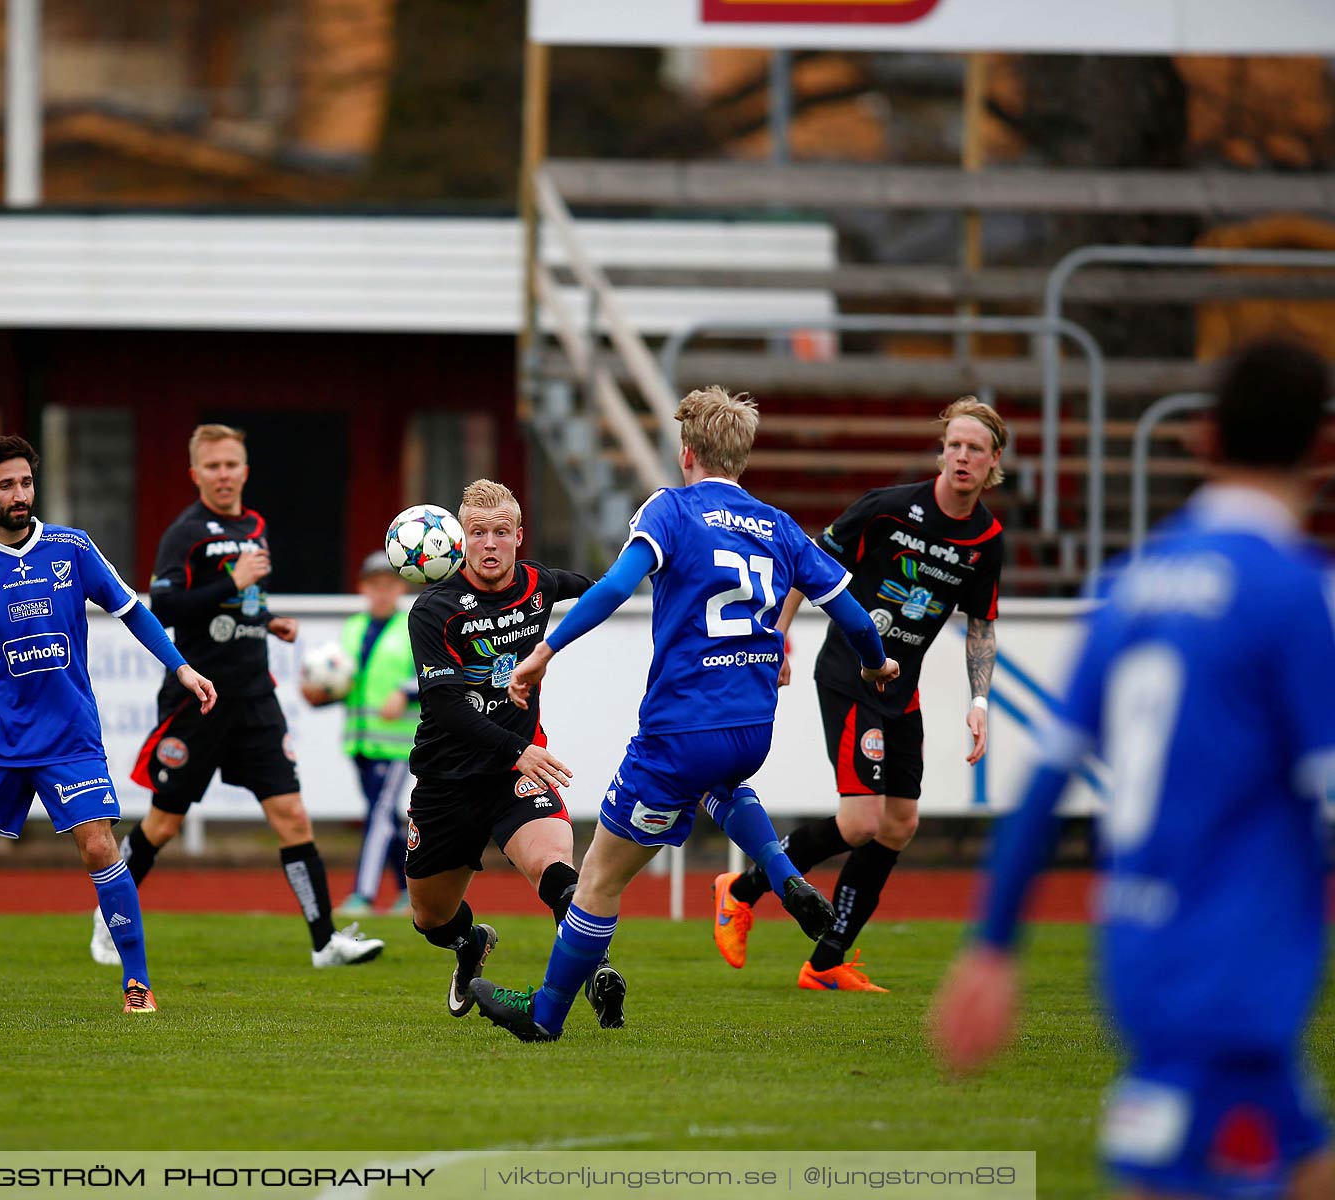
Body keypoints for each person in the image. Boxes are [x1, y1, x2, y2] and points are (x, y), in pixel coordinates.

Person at [931, 339, 1334, 1200]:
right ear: (1323, 452)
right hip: (1235, 969)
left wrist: (992, 947)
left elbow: (1046, 784)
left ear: (1204, 440)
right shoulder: (1295, 592)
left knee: (1304, 1162)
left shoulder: (1133, 583)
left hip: (1138, 954)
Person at [469, 387, 899, 1042]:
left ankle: (545, 1015)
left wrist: (545, 650)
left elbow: (615, 586)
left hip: (677, 731)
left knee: (597, 879)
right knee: (721, 785)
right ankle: (782, 878)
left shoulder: (670, 509)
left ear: (687, 452)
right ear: (743, 457)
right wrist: (874, 665)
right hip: (752, 726)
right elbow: (851, 614)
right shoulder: (780, 525)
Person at [0, 435, 215, 1016]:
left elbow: (132, 610)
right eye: (6, 485)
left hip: (69, 737)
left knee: (99, 846)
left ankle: (137, 985)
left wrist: (182, 668)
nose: (20, 494)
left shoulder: (72, 548)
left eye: (26, 482)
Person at [713, 396, 1007, 991]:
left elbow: (981, 624)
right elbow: (809, 563)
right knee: (860, 819)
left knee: (898, 824)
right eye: (953, 444)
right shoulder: (889, 509)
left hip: (904, 690)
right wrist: (778, 641)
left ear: (993, 460)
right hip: (851, 674)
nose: (961, 456)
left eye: (974, 448)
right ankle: (740, 890)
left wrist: (980, 703)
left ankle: (825, 962)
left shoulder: (987, 538)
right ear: (942, 450)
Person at [88, 424, 383, 968]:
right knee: (165, 822)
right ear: (196, 473)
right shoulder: (185, 533)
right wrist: (235, 581)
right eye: (213, 466)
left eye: (232, 465)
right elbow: (166, 608)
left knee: (292, 815)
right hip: (199, 696)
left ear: (245, 470)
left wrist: (268, 621)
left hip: (254, 696)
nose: (224, 474)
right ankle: (111, 917)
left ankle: (325, 942)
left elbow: (239, 604)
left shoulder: (256, 527)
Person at [404, 479, 627, 1027]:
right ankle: (469, 943)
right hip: (448, 778)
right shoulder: (433, 609)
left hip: (517, 772)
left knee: (556, 872)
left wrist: (658, 569)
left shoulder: (538, 583)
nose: (489, 544)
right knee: (431, 918)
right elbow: (448, 708)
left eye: (500, 532)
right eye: (477, 532)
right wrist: (517, 747)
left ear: (518, 537)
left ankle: (597, 973)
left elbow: (602, 590)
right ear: (459, 540)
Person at [301, 550, 417, 917]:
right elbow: (346, 683)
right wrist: (320, 695)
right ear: (363, 588)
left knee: (380, 815)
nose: (382, 591)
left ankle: (363, 895)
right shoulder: (352, 628)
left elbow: (436, 673)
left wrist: (406, 690)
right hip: (360, 741)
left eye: (389, 584)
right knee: (385, 818)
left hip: (398, 744)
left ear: (399, 586)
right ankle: (406, 893)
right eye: (374, 584)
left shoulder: (412, 627)